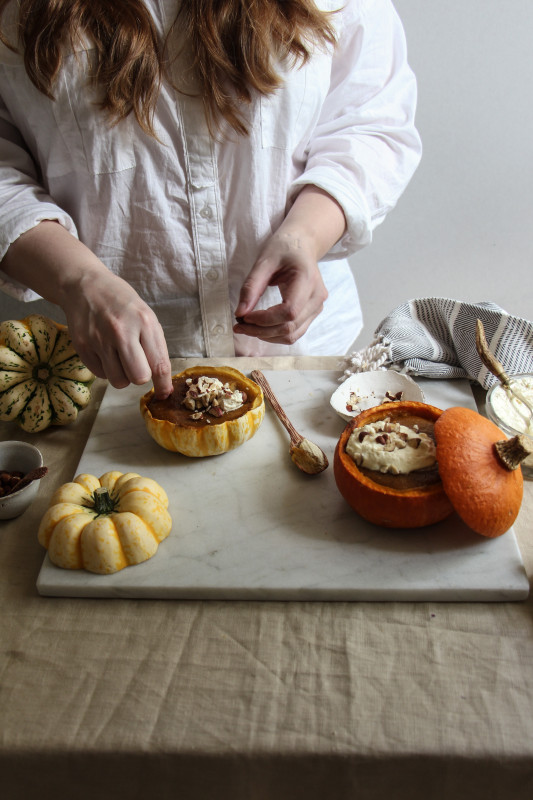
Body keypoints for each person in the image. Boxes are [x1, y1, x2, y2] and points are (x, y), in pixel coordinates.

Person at [0, 0, 421, 399]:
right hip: (110, 371)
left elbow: (372, 121)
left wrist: (307, 235)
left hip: (305, 358)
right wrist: (79, 281)